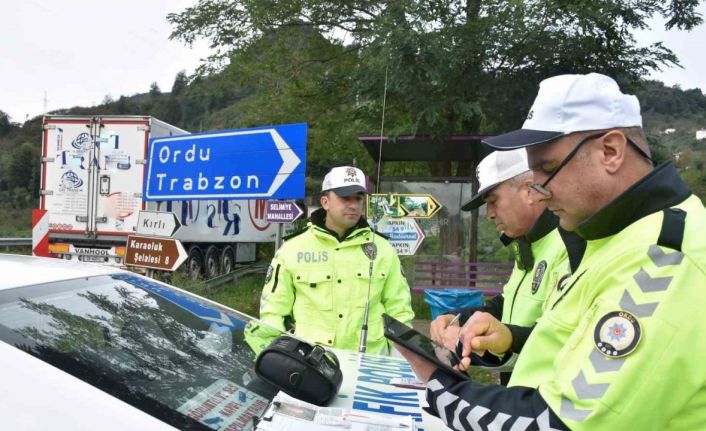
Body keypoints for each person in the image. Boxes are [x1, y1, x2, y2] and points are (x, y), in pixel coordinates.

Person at [396, 73, 706, 430]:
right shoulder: (610, 237)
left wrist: (438, 386)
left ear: (611, 151)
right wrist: (508, 339)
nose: (537, 190)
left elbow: (558, 421)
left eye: (547, 169)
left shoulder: (664, 258)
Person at [429, 149, 583, 385]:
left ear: (529, 189)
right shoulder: (526, 243)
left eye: (493, 201)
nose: (489, 214)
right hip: (518, 392)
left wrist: (509, 338)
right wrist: (458, 320)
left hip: (548, 399)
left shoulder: (571, 244)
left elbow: (566, 338)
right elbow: (505, 303)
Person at [258, 166, 414, 355]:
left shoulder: (383, 249)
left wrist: (399, 363)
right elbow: (273, 311)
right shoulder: (292, 249)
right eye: (345, 197)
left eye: (358, 198)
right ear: (325, 202)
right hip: (312, 365)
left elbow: (400, 311)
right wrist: (278, 358)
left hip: (371, 365)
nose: (354, 205)